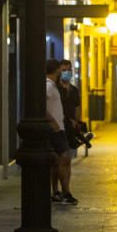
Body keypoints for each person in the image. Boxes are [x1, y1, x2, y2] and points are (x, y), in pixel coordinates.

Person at [45, 59, 77, 205]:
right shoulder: (48, 86)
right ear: (56, 70)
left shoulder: (54, 86)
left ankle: (61, 192)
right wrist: (52, 122)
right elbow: (41, 106)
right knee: (64, 158)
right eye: (61, 70)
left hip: (61, 128)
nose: (63, 72)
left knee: (61, 160)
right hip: (56, 130)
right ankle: (65, 192)